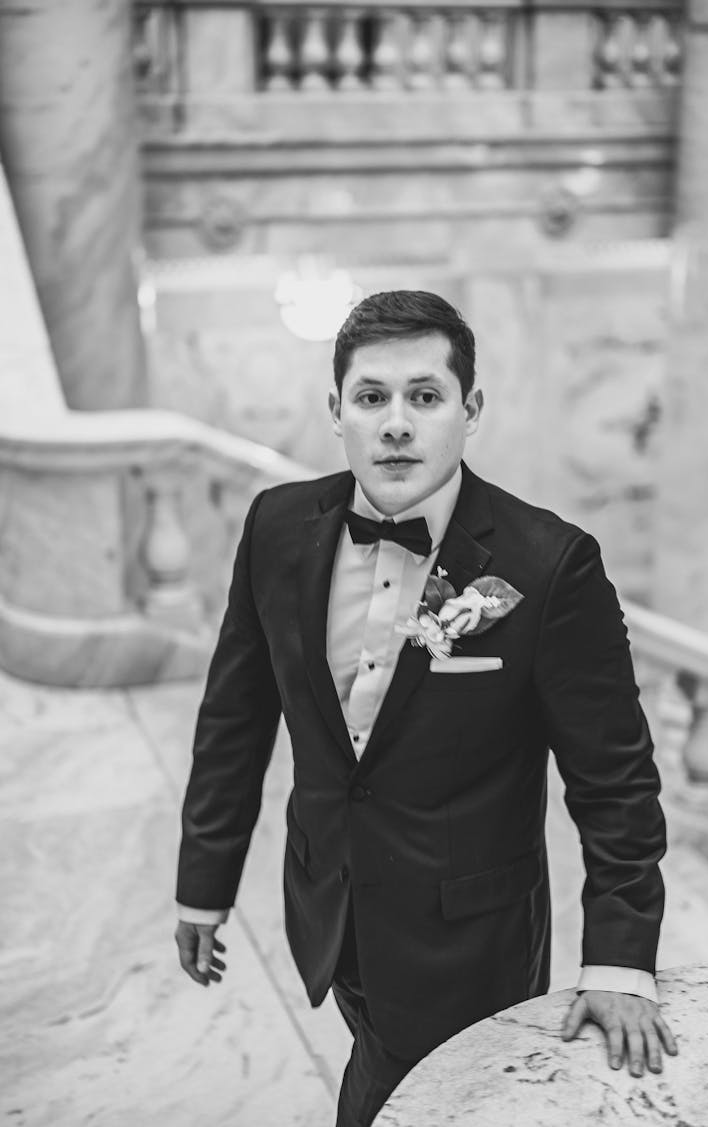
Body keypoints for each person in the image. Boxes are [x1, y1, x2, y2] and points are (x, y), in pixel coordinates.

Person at [175, 290, 677, 1126]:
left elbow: (614, 779)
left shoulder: (548, 565)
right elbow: (235, 716)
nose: (396, 424)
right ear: (336, 410)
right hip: (330, 907)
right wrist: (203, 882)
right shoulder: (275, 526)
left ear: (469, 409)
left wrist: (621, 961)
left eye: (425, 396)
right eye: (372, 397)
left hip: (469, 941)